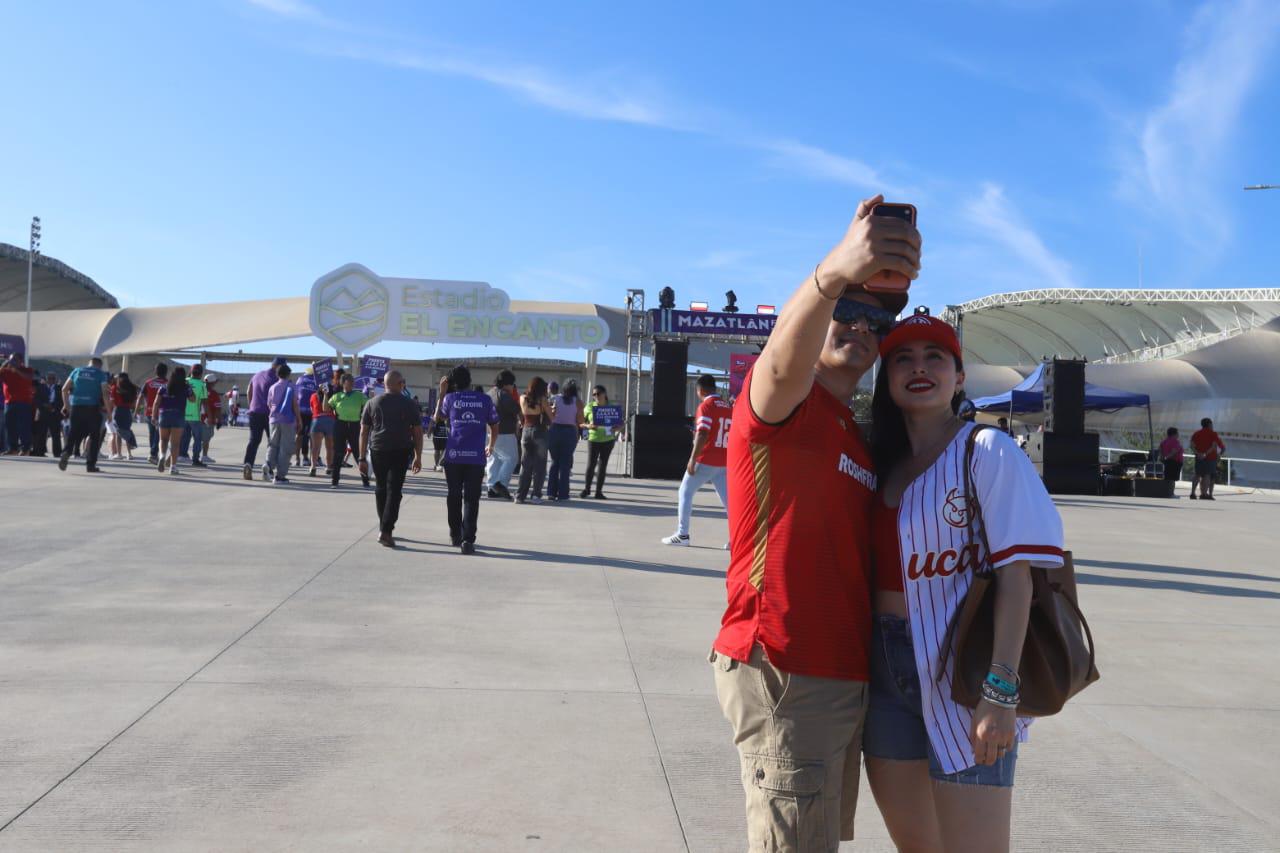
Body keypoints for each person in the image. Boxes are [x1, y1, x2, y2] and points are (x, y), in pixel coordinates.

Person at [711, 194, 918, 851]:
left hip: (839, 676)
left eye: (875, 324)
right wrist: (831, 275)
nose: (861, 329)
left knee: (813, 839)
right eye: (847, 313)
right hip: (786, 667)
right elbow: (781, 358)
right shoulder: (780, 407)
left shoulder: (854, 438)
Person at [864, 313, 1063, 853]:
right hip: (883, 672)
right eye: (902, 358)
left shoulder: (986, 451)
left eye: (936, 357)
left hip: (967, 671)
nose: (919, 368)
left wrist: (1000, 691)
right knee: (918, 846)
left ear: (959, 378)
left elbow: (1018, 579)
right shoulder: (880, 462)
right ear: (886, 379)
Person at [662, 375, 732, 546]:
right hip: (724, 459)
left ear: (700, 390)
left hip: (706, 458)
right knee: (730, 502)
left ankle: (682, 534)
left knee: (685, 492)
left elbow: (703, 432)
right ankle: (738, 539)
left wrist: (693, 459)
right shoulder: (728, 407)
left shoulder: (706, 406)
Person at [436, 365, 498, 553]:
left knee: (453, 496)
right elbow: (495, 425)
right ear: (470, 380)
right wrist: (491, 445)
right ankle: (468, 539)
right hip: (476, 458)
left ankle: (456, 534)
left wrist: (441, 393)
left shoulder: (450, 399)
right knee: (472, 499)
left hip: (453, 456)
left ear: (453, 383)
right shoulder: (484, 399)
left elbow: (437, 418)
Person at [359, 370, 424, 547]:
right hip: (400, 450)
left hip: (378, 449)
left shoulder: (372, 402)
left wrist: (361, 457)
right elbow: (418, 432)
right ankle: (386, 530)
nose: (404, 385)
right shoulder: (409, 403)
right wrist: (418, 456)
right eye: (402, 382)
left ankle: (384, 526)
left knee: (381, 489)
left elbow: (364, 431)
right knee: (394, 491)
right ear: (398, 384)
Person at [59, 357, 112, 473]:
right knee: (94, 436)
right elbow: (105, 394)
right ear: (100, 365)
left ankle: (66, 452)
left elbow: (64, 389)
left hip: (76, 407)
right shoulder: (101, 374)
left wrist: (67, 406)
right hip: (92, 408)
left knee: (73, 433)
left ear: (89, 364)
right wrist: (109, 413)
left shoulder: (77, 370)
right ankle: (90, 465)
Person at [243, 357, 285, 480]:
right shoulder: (277, 380)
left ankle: (248, 464)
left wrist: (251, 405)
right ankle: (268, 469)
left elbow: (248, 391)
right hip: (269, 415)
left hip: (254, 412)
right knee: (272, 443)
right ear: (278, 366)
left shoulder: (257, 375)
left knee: (253, 440)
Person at [485, 369, 521, 500]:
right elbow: (516, 409)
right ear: (506, 384)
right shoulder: (504, 395)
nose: (512, 387)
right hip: (505, 432)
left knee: (494, 460)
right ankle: (500, 484)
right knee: (512, 458)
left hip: (490, 432)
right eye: (512, 384)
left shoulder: (489, 393)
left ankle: (491, 486)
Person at [546, 379, 584, 501]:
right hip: (570, 432)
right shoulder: (578, 402)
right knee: (565, 464)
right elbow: (581, 421)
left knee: (554, 462)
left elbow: (550, 414)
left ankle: (551, 492)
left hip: (554, 431)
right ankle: (563, 494)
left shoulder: (555, 399)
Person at [329, 373, 369, 489]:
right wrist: (325, 394)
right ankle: (334, 481)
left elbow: (369, 405)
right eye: (349, 381)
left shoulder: (359, 395)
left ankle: (365, 481)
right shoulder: (337, 396)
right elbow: (326, 408)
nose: (352, 383)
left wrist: (370, 394)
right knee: (338, 454)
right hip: (340, 425)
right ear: (343, 383)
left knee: (358, 454)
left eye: (353, 381)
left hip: (354, 426)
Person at [516, 376, 552, 503]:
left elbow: (521, 414)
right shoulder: (542, 399)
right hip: (540, 432)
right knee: (540, 466)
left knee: (525, 465)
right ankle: (536, 495)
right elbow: (551, 418)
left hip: (525, 431)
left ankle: (520, 496)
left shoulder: (522, 398)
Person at [152, 366, 193, 475]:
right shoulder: (185, 388)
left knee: (163, 439)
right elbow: (192, 399)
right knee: (175, 443)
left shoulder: (164, 387)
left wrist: (153, 416)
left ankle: (161, 455)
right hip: (178, 415)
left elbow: (156, 403)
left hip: (164, 414)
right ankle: (173, 467)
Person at [581, 385, 618, 499]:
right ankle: (587, 489)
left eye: (598, 393)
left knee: (603, 465)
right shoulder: (589, 407)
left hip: (608, 440)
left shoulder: (612, 407)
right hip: (593, 439)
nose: (596, 396)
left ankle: (598, 491)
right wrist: (588, 425)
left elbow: (620, 424)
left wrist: (616, 429)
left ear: (604, 394)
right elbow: (580, 423)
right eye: (594, 394)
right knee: (591, 464)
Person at [1, 353, 36, 455]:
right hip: (9, 403)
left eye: (15, 360)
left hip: (24, 403)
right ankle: (13, 448)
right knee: (10, 426)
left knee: (23, 427)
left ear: (21, 361)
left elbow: (29, 377)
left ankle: (26, 449)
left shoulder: (27, 370)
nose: (12, 362)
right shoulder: (6, 371)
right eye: (11, 360)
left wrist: (16, 370)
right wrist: (5, 363)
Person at [137, 363, 168, 464]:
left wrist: (136, 410)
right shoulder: (168, 384)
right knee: (159, 434)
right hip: (162, 412)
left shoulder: (148, 382)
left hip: (149, 411)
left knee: (152, 433)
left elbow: (140, 397)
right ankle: (153, 454)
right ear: (166, 372)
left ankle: (153, 453)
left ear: (155, 371)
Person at [1190, 417, 1225, 501]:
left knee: (1197, 474)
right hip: (1210, 458)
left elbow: (1192, 445)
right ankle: (1204, 494)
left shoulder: (1196, 433)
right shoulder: (1213, 434)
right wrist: (1206, 454)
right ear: (1209, 424)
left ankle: (1193, 493)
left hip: (1199, 457)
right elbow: (1213, 446)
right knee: (1207, 475)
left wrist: (1198, 453)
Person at [180, 364, 209, 466]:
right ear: (201, 374)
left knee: (184, 436)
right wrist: (207, 416)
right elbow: (205, 401)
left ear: (191, 371)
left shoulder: (184, 381)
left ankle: (182, 455)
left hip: (182, 415)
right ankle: (195, 459)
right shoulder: (202, 385)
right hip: (195, 416)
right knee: (197, 438)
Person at [107, 372, 139, 460]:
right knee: (127, 431)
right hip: (127, 411)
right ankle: (129, 454)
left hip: (118, 411)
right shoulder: (132, 388)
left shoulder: (115, 388)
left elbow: (112, 402)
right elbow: (134, 403)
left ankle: (119, 454)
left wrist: (109, 413)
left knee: (118, 433)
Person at [32, 372, 63, 458]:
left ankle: (57, 452)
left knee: (56, 435)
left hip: (55, 414)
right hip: (44, 414)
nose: (51, 380)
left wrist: (55, 408)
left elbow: (62, 401)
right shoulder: (41, 388)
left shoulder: (59, 388)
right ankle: (40, 452)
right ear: (46, 379)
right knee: (42, 434)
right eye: (49, 378)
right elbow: (36, 399)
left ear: (55, 379)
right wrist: (44, 405)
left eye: (52, 378)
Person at [309, 378, 335, 476]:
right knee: (330, 447)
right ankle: (328, 467)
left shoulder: (313, 396)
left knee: (315, 447)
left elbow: (312, 410)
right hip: (330, 421)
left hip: (317, 421)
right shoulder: (333, 396)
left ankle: (313, 467)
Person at [294, 367, 317, 468]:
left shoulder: (300, 379)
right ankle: (311, 460)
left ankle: (298, 459)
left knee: (299, 435)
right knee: (312, 436)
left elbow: (295, 395)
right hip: (313, 412)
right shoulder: (317, 381)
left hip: (300, 411)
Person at [202, 374, 223, 462]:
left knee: (197, 438)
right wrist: (219, 421)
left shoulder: (199, 391)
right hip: (209, 420)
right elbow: (217, 409)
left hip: (197, 418)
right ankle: (204, 456)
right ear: (212, 383)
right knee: (206, 440)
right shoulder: (214, 394)